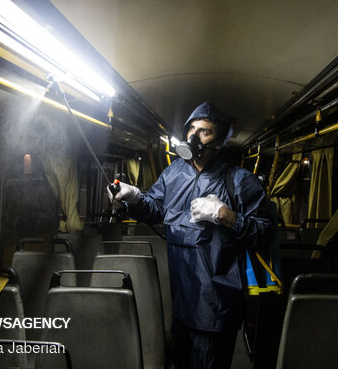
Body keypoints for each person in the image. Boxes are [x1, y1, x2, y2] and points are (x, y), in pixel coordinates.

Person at [109, 101, 271, 369]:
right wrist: (135, 197)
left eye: (204, 132)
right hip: (182, 301)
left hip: (216, 308)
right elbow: (155, 209)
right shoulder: (174, 173)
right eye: (191, 129)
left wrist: (226, 215)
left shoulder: (239, 181)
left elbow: (263, 231)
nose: (194, 137)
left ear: (217, 143)